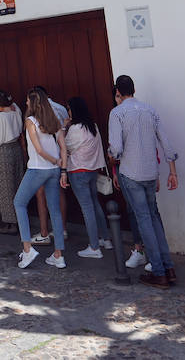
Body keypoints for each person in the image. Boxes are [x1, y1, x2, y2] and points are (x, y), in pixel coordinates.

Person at [107, 74, 178, 288]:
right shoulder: (150, 110)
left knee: (144, 219)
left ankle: (159, 271)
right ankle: (168, 266)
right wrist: (172, 171)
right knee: (154, 217)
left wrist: (111, 156)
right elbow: (165, 142)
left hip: (131, 172)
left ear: (118, 92)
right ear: (134, 89)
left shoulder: (117, 113)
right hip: (150, 171)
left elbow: (117, 148)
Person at [14, 89, 67, 268]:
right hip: (54, 171)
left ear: (33, 103)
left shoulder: (30, 121)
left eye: (28, 101)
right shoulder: (55, 121)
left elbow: (39, 150)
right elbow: (63, 147)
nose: (26, 104)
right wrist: (62, 168)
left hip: (38, 169)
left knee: (19, 203)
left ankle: (27, 249)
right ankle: (58, 255)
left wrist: (55, 160)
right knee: (55, 210)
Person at [61, 96, 113, 258]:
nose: (68, 111)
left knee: (87, 208)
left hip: (78, 171)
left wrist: (64, 128)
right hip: (92, 170)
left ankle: (94, 247)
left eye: (69, 108)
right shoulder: (93, 126)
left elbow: (64, 146)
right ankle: (106, 239)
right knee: (95, 204)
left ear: (74, 110)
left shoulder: (76, 129)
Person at [0, 91, 23, 235]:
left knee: (5, 188)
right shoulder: (16, 111)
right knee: (16, 184)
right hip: (15, 148)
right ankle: (19, 219)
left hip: (3, 151)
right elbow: (13, 105)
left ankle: (11, 223)